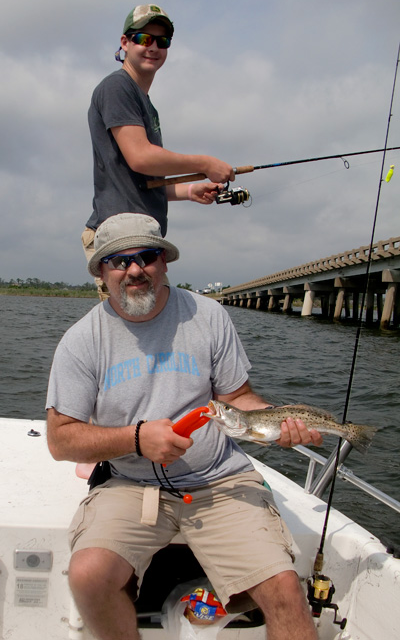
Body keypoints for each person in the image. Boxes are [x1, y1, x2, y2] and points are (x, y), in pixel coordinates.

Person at [46, 213, 322, 640]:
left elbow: (238, 399)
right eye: (119, 261)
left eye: (147, 256)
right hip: (129, 482)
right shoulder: (82, 341)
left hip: (220, 480)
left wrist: (278, 421)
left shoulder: (208, 315)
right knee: (88, 576)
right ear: (102, 270)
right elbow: (61, 440)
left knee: (286, 590)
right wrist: (136, 439)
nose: (134, 269)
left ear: (165, 263)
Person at [83, 3, 235, 299]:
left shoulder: (145, 103)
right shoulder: (117, 87)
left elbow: (141, 182)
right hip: (120, 237)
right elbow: (141, 158)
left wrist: (190, 191)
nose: (153, 47)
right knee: (129, 331)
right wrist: (205, 162)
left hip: (141, 236)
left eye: (162, 41)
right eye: (144, 39)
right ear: (125, 43)